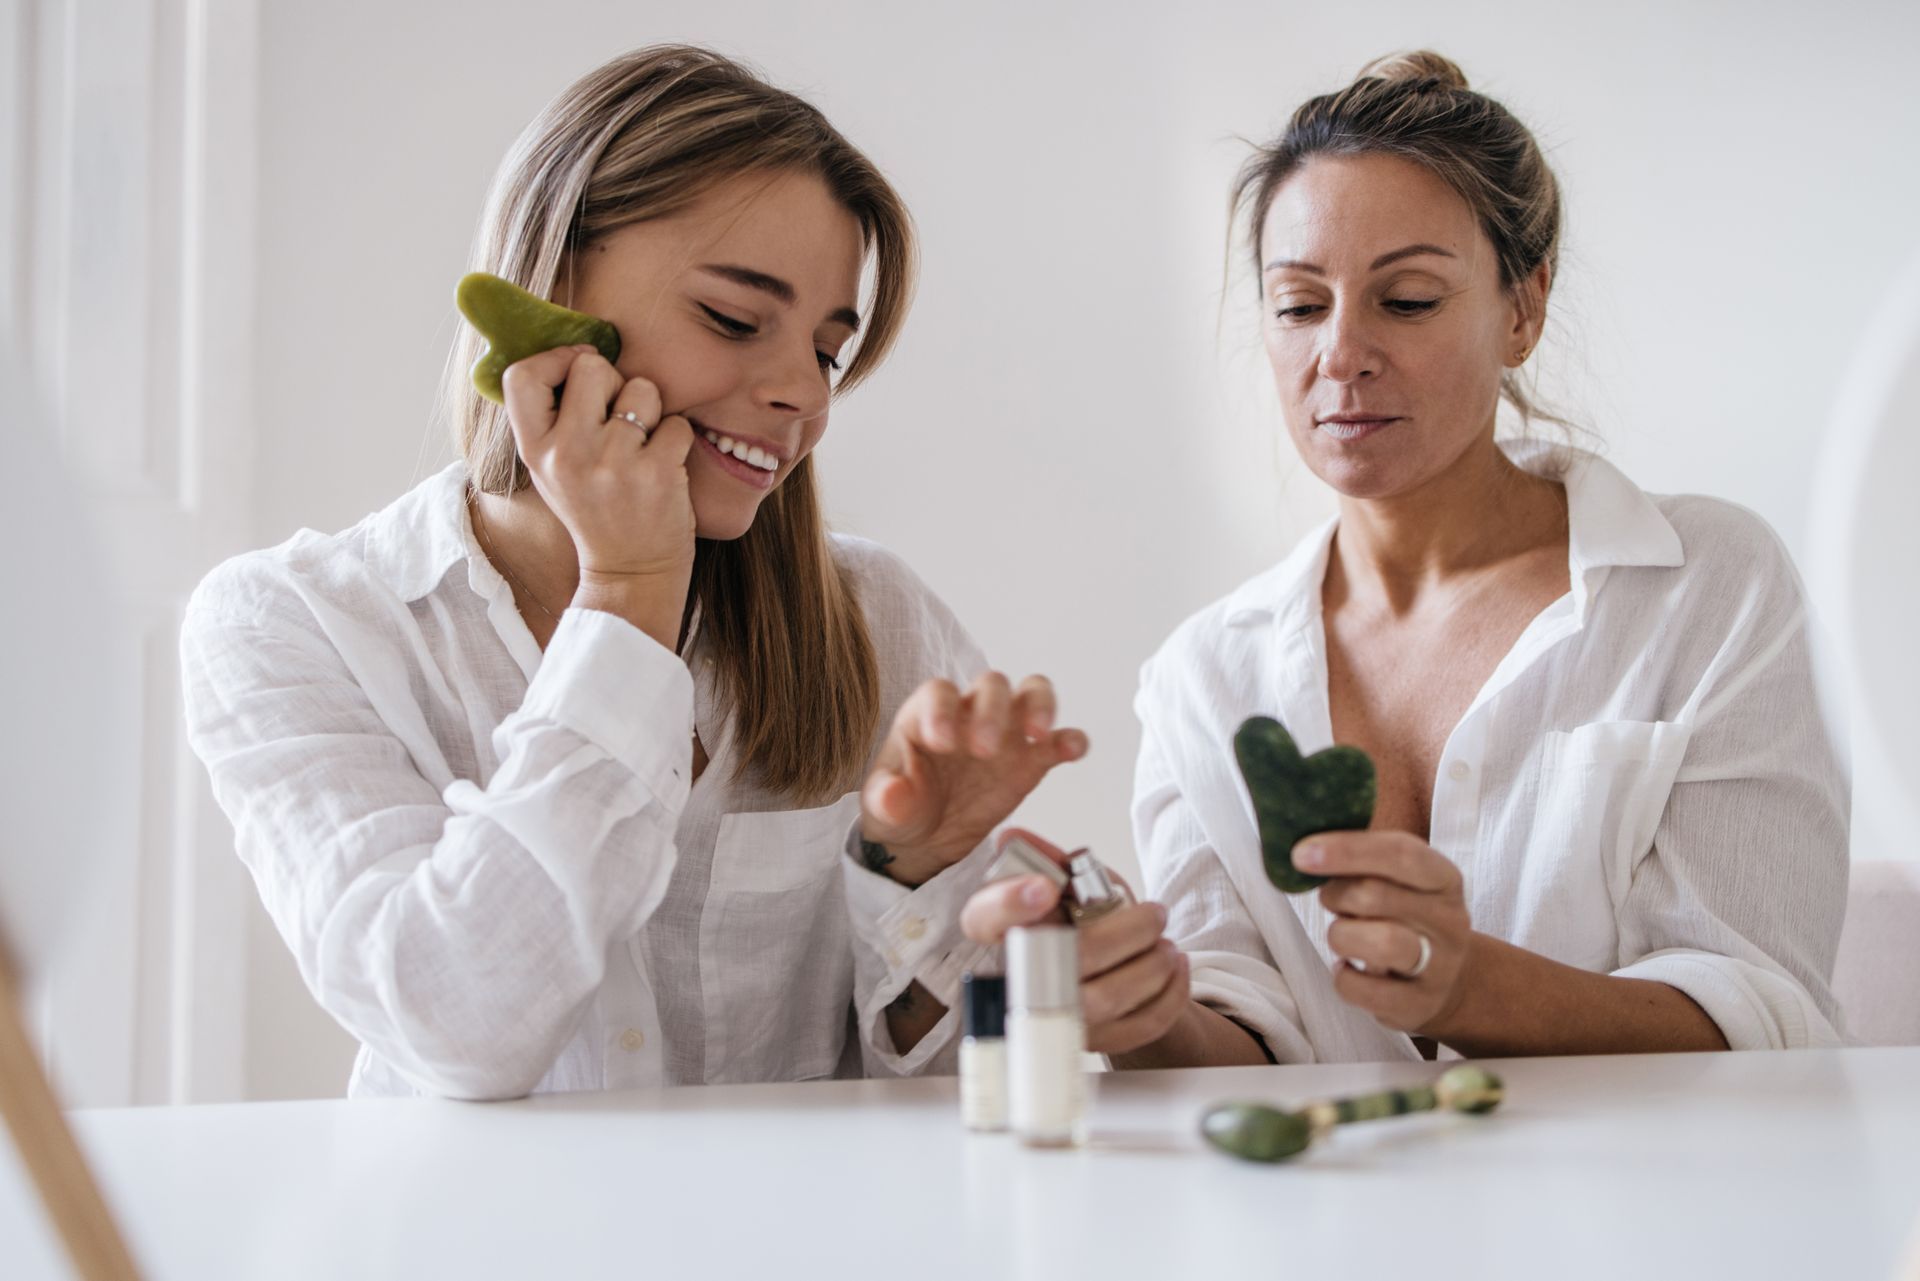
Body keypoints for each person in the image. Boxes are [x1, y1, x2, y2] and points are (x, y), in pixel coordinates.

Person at [180, 45, 1087, 1100]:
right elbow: (455, 1025)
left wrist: (919, 883)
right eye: (736, 320)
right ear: (555, 291)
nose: (804, 394)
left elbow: (982, 1081)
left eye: (828, 351)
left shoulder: (872, 617)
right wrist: (627, 596)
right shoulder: (297, 625)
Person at [964, 51, 1848, 1064]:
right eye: (1300, 305)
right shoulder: (1203, 680)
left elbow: (1767, 1015)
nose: (1340, 354)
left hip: (1649, 1212)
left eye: (1409, 300)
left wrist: (1473, 988)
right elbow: (1242, 1029)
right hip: (1327, 1220)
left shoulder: (1709, 588)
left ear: (1524, 308)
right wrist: (1130, 1004)